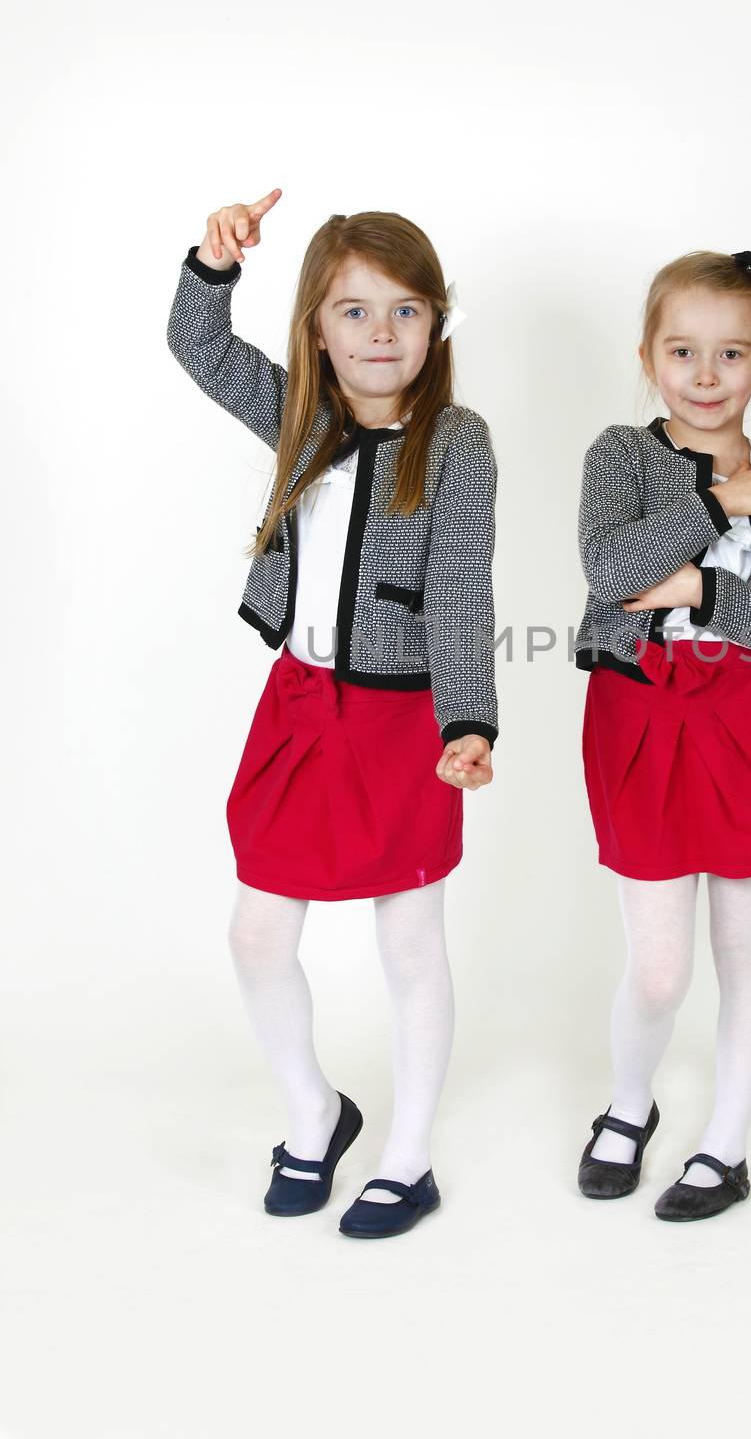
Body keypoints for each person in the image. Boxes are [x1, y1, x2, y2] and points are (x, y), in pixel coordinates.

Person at [165, 190, 498, 1239]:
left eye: (404, 309)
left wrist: (467, 721)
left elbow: (458, 589)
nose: (379, 333)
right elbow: (198, 346)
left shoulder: (455, 442)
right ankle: (315, 1114)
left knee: (410, 942)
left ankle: (409, 1154)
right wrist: (214, 265)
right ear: (315, 323)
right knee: (258, 933)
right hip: (301, 710)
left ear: (435, 322)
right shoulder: (300, 414)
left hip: (405, 725)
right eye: (353, 311)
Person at [572, 248, 751, 1222]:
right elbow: (608, 566)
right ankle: (628, 1103)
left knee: (742, 944)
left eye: (729, 353)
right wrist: (720, 505)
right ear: (647, 354)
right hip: (638, 717)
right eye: (681, 350)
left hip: (749, 727)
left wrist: (700, 588)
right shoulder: (619, 454)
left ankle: (722, 1146)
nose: (703, 373)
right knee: (658, 965)